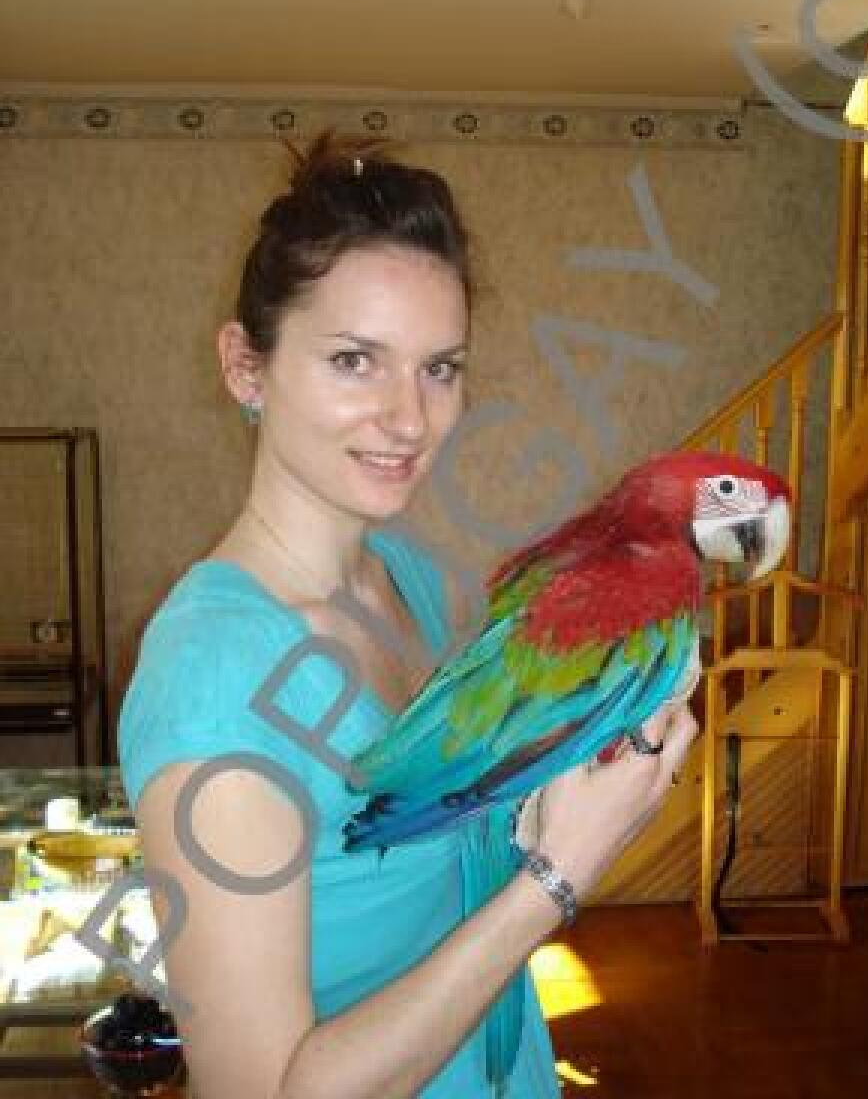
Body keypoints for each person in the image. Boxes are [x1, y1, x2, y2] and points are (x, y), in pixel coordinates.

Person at [117, 131, 698, 1099]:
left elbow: (447, 845)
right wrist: (556, 878)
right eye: (355, 360)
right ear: (245, 367)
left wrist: (562, 774)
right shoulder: (211, 679)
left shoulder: (407, 581)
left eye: (440, 368)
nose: (409, 418)